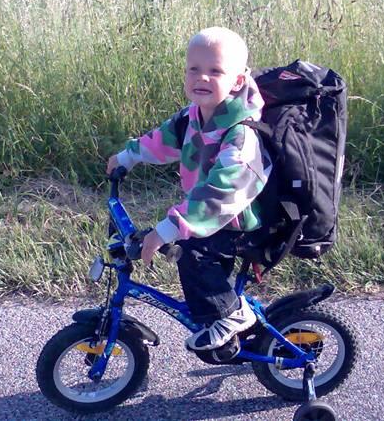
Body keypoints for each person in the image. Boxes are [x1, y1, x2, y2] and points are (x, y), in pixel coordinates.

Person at [106, 26, 271, 351]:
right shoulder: (194, 116)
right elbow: (164, 139)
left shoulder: (240, 137)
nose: (202, 78)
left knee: (192, 254)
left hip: (236, 222)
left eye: (215, 71)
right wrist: (129, 156)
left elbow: (219, 197)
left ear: (237, 81)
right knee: (183, 243)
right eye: (194, 69)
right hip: (211, 216)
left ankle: (232, 314)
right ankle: (221, 311)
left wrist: (169, 228)